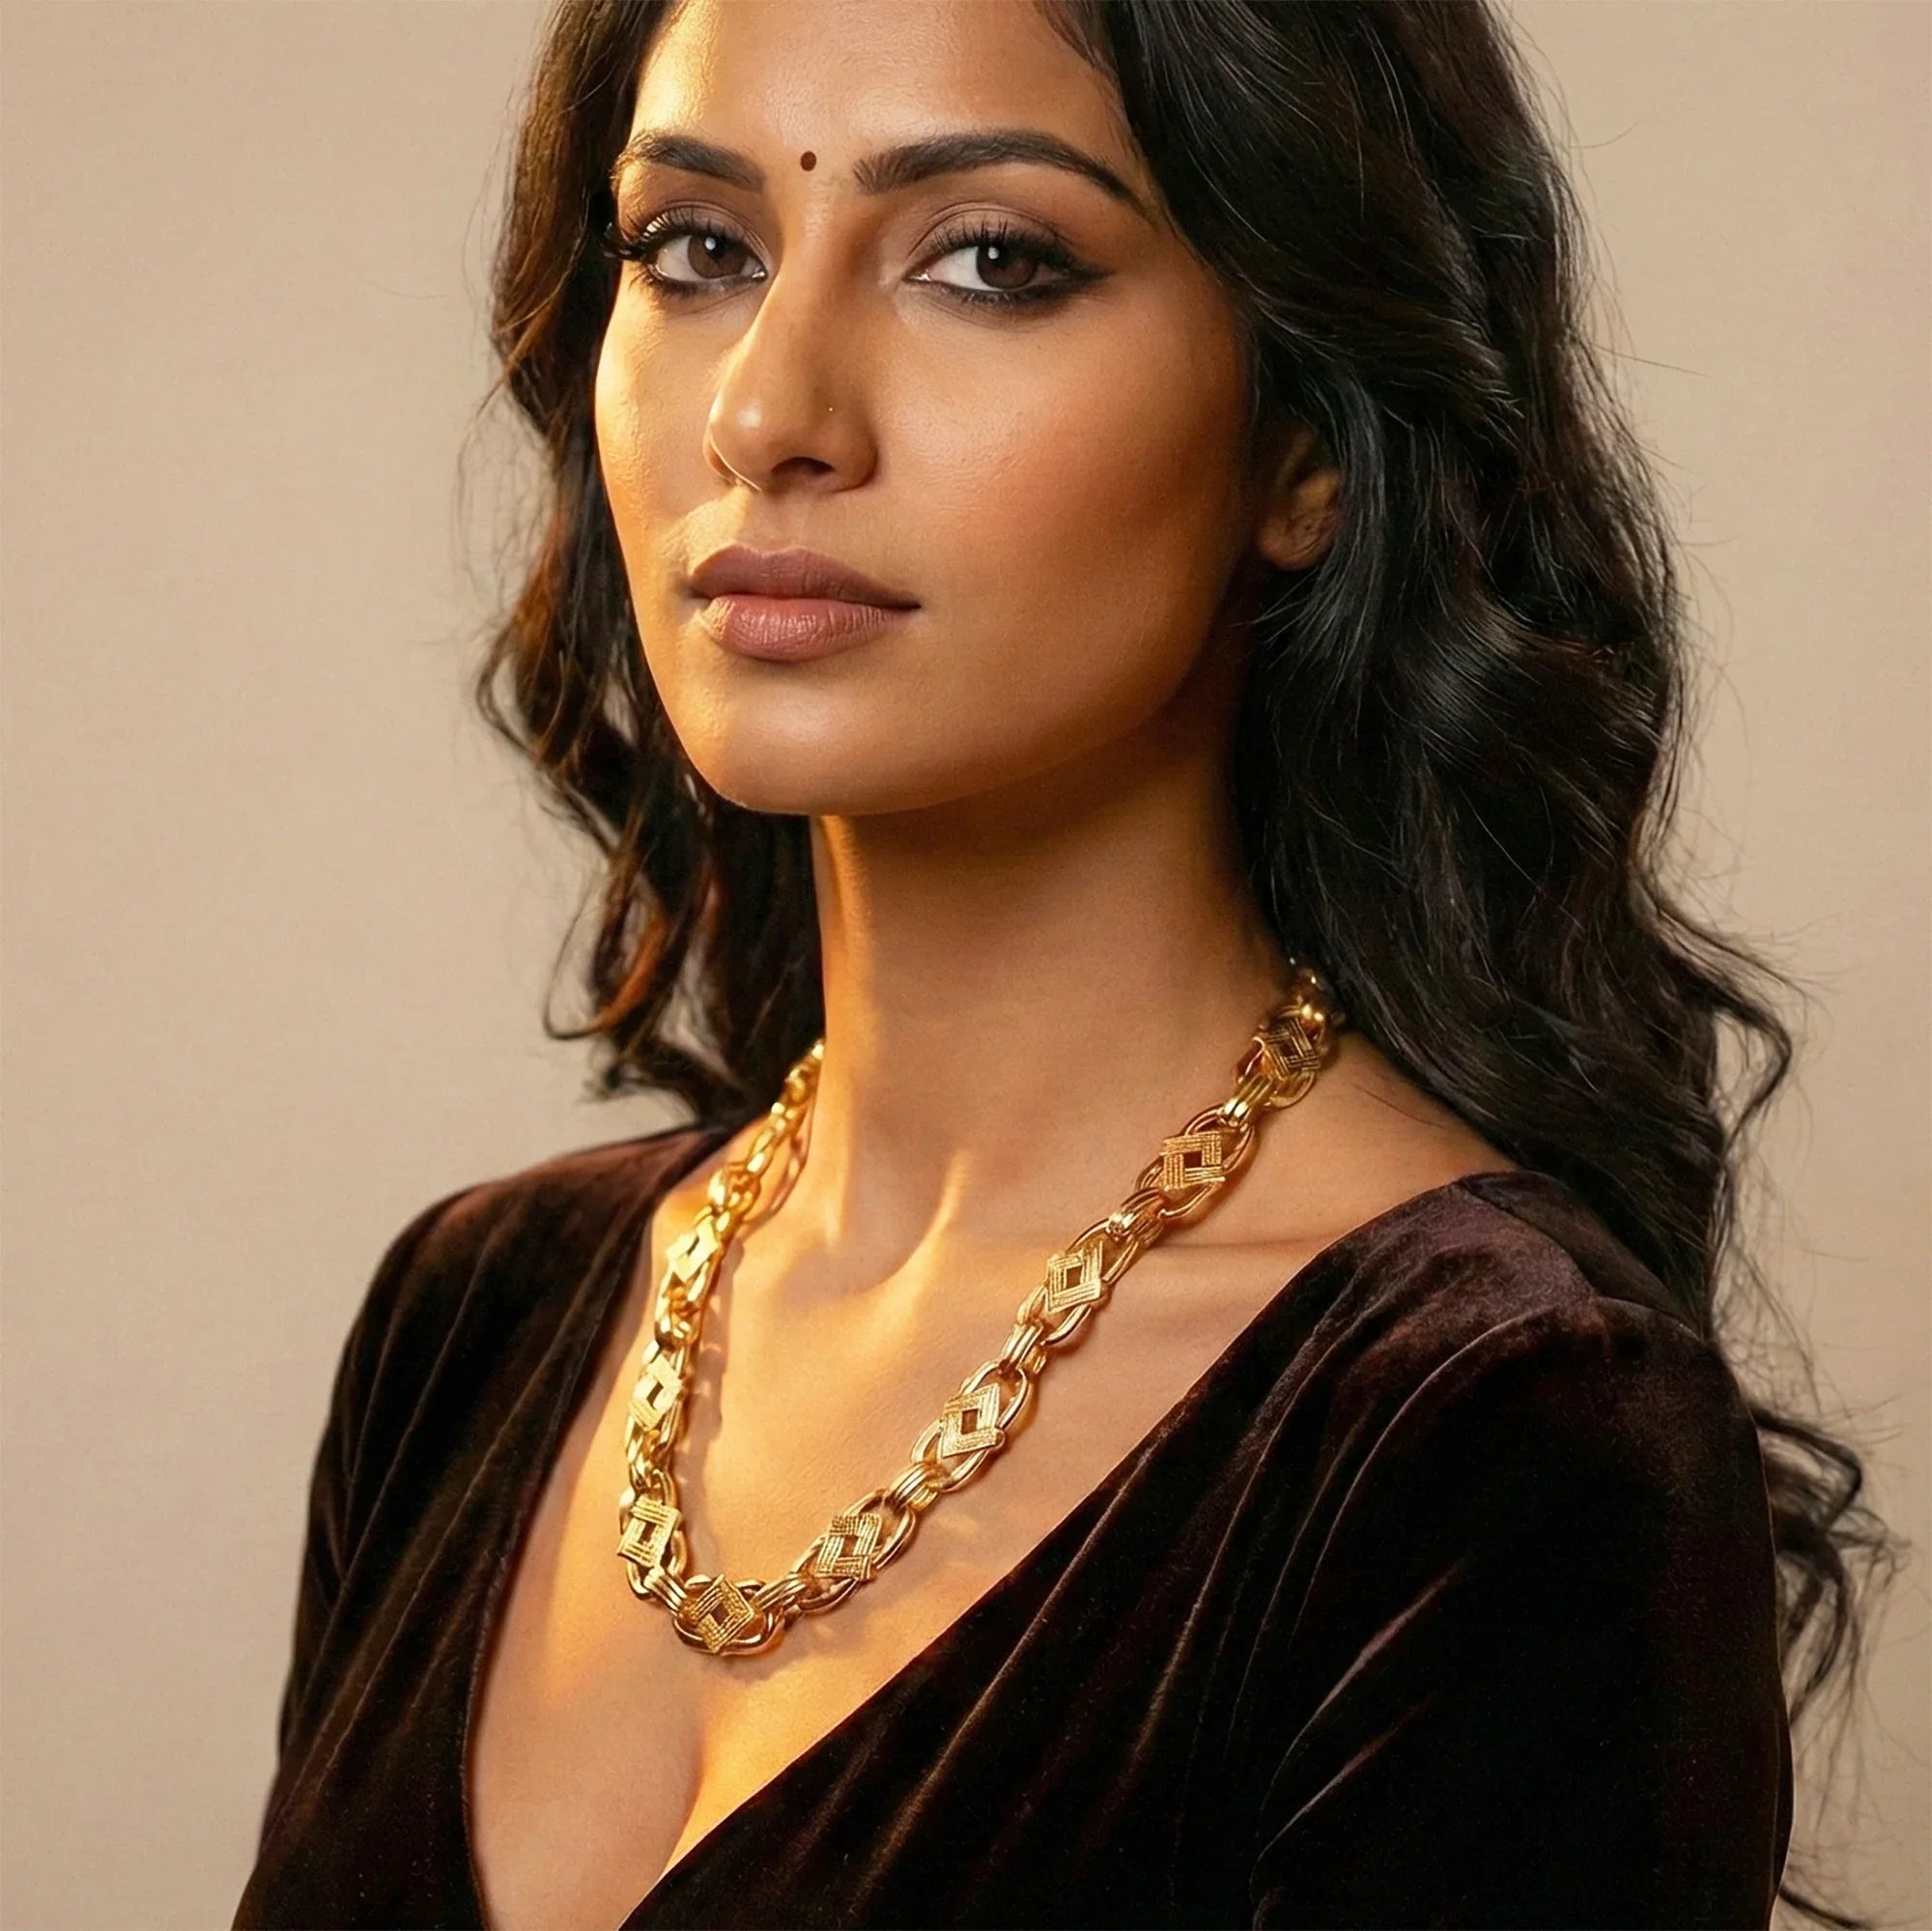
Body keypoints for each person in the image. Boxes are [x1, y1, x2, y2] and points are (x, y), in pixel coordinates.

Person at [234, 2, 1894, 1926]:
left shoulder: (1490, 1437)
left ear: (1306, 441)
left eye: (991, 262)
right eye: (696, 251)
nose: (764, 413)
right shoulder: (473, 1324)